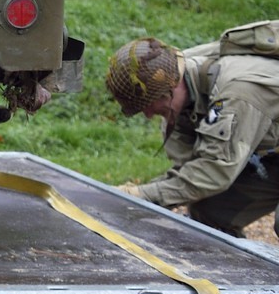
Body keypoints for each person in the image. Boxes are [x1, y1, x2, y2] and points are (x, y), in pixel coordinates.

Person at [105, 34, 279, 236]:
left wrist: (141, 195)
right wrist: (133, 197)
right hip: (272, 156)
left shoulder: (236, 94)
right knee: (210, 210)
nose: (149, 114)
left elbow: (215, 171)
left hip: (263, 145)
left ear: (172, 88)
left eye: (149, 104)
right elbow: (189, 172)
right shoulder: (177, 79)